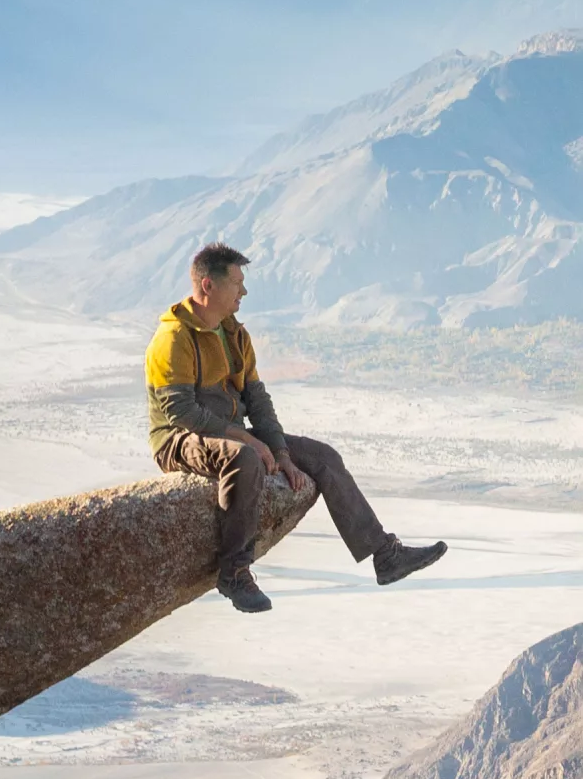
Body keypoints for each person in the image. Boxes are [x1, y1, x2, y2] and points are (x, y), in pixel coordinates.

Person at [145, 243, 447, 615]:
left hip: (231, 430)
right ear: (208, 286)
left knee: (323, 457)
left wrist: (282, 452)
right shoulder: (174, 337)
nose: (244, 291)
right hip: (179, 439)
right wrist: (246, 439)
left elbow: (258, 400)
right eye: (237, 283)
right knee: (245, 459)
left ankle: (384, 555)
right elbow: (179, 411)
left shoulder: (235, 334)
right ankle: (234, 572)